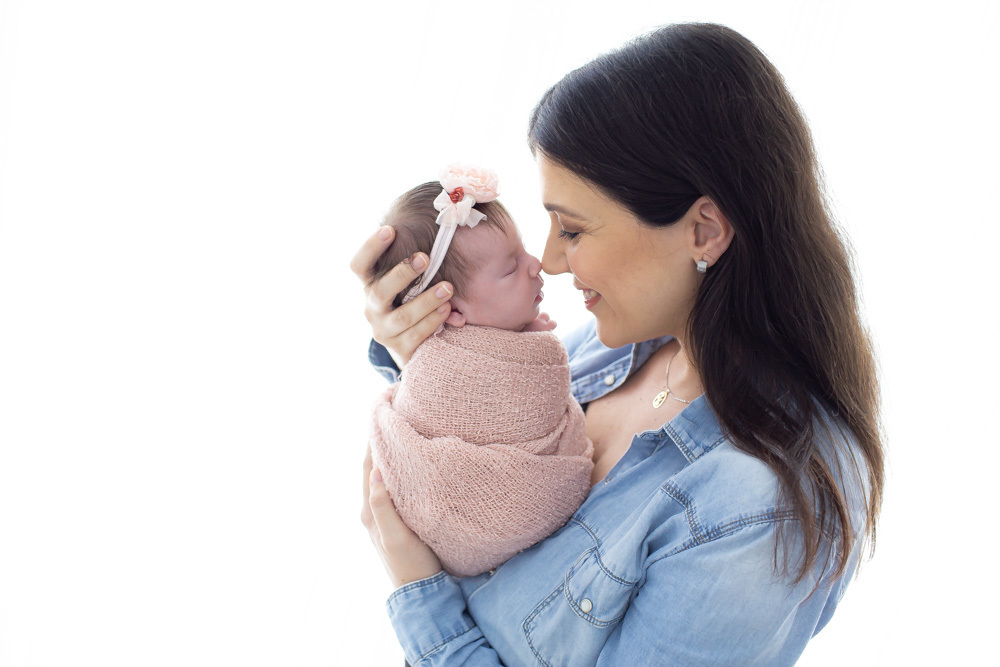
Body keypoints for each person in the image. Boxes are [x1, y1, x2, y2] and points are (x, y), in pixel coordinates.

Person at [353, 22, 884, 665]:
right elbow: (477, 405)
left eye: (572, 230)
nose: (546, 261)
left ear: (704, 232)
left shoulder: (756, 512)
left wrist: (418, 593)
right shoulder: (615, 350)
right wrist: (413, 335)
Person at [368, 165, 593, 579]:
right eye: (510, 269)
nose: (536, 264)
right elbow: (437, 411)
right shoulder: (439, 365)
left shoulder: (500, 339)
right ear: (450, 311)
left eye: (522, 251)